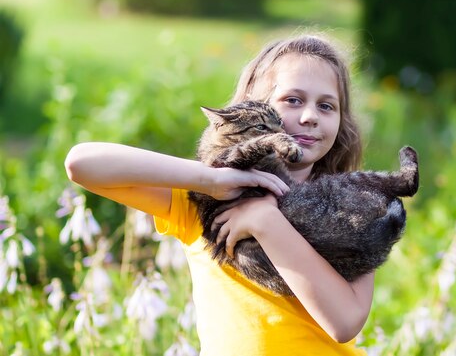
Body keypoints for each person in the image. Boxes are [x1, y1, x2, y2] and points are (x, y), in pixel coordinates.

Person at [65, 35, 372, 355]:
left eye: (326, 106)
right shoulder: (205, 201)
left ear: (341, 120)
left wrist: (265, 221)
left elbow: (344, 322)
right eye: (293, 100)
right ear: (255, 106)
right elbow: (82, 163)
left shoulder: (353, 208)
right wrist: (209, 178)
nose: (310, 116)